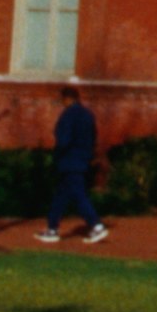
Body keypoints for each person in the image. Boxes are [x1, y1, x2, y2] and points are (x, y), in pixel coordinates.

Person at [41, 84, 105, 245]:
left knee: (78, 194)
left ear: (67, 99)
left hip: (69, 160)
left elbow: (63, 139)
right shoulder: (88, 115)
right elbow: (93, 137)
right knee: (61, 195)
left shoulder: (68, 115)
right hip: (83, 159)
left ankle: (96, 224)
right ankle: (52, 228)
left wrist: (57, 154)